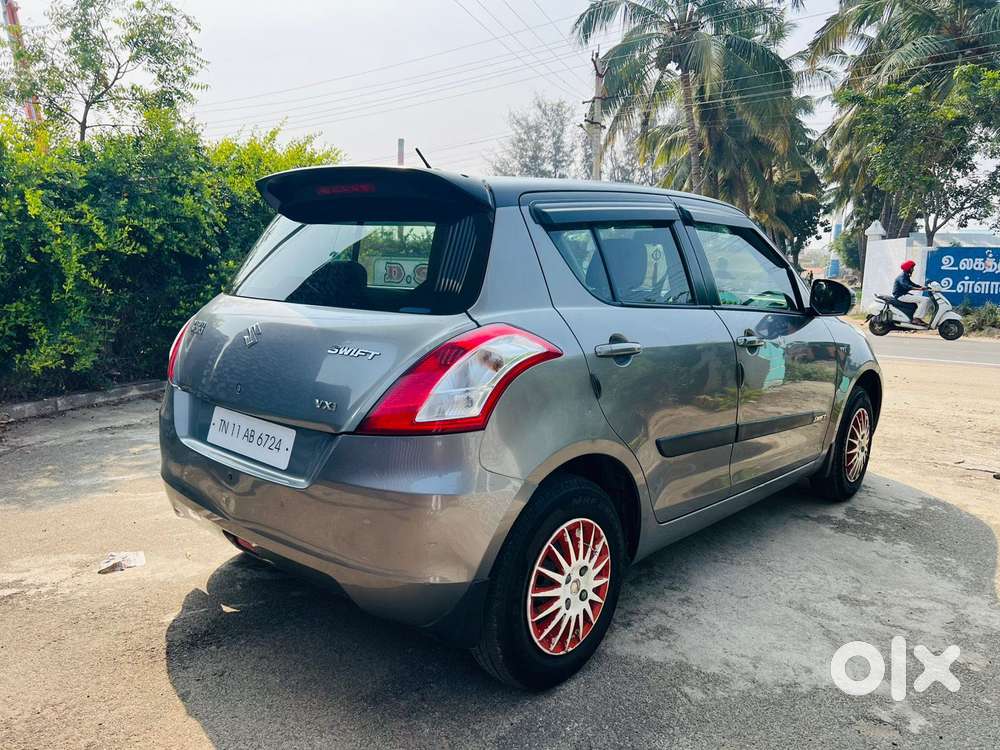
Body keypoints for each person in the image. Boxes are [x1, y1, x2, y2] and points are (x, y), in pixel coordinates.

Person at [893, 259, 930, 325]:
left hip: (904, 295)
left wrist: (923, 287)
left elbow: (912, 284)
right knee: (925, 300)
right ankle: (916, 319)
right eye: (912, 268)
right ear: (908, 268)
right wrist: (919, 289)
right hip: (901, 296)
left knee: (922, 300)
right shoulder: (902, 277)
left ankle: (917, 318)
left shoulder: (906, 276)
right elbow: (906, 286)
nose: (913, 269)